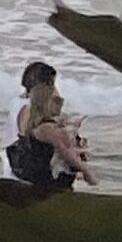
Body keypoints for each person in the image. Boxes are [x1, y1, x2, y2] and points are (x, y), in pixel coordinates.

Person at [12, 60, 92, 193]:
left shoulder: (25, 110)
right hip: (45, 175)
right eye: (52, 84)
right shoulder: (38, 116)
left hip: (30, 169)